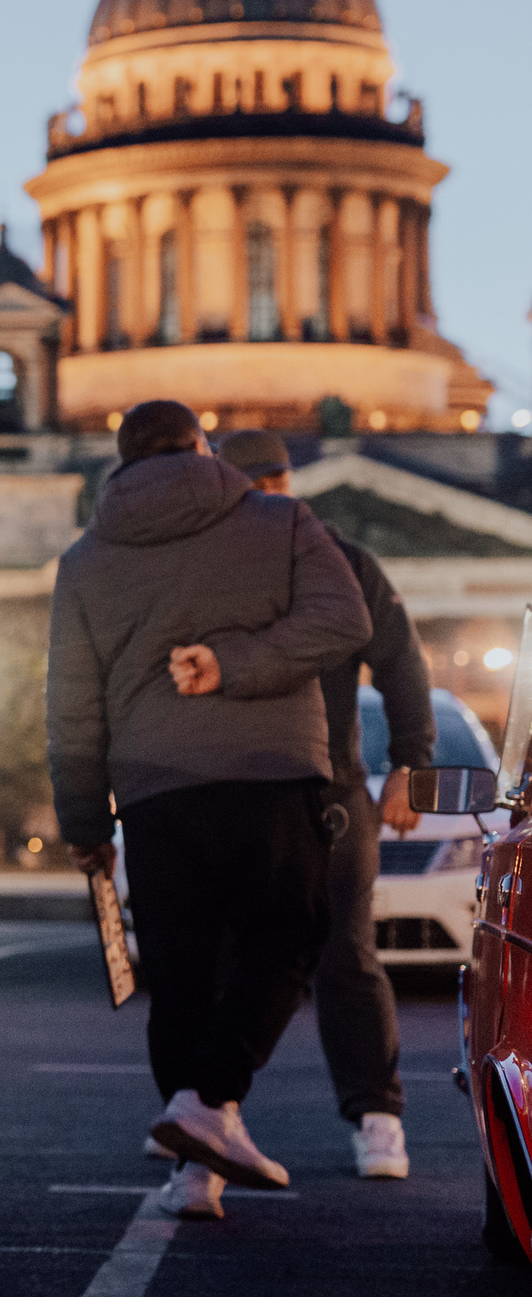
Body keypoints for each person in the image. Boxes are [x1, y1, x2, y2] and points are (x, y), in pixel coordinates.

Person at [49, 401, 371, 1220]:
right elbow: (346, 620)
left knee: (181, 973)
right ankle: (210, 1101)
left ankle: (195, 1172)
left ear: (123, 460)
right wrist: (238, 662)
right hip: (271, 769)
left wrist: (84, 821)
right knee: (289, 934)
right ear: (202, 446)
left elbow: (71, 707)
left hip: (154, 787)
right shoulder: (282, 519)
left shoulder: (84, 558)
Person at [218, 428, 431, 1181]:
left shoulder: (345, 561)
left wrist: (410, 766)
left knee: (347, 956)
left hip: (332, 792)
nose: (264, 501)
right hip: (234, 790)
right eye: (249, 488)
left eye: (272, 486)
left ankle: (378, 1117)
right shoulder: (208, 568)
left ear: (288, 484)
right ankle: (208, 1110)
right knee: (227, 961)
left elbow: (402, 664)